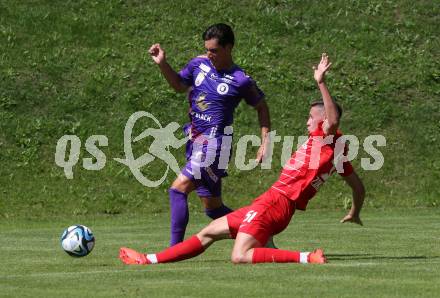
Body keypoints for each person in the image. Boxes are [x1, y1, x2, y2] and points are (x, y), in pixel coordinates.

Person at [120, 53, 365, 265]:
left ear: (322, 122)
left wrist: (321, 83)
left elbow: (332, 121)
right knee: (209, 231)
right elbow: (358, 187)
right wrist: (355, 211)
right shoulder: (337, 152)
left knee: (239, 256)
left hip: (275, 205)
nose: (307, 122)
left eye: (311, 118)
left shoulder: (326, 139)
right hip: (269, 202)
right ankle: (148, 259)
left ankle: (306, 257)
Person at [148, 23, 271, 246]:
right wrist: (163, 64)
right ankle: (260, 232)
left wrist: (265, 143)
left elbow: (262, 107)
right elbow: (178, 85)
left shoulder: (240, 79)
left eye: (214, 50)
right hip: (195, 141)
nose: (209, 54)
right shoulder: (198, 65)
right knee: (213, 209)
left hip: (215, 146)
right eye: (207, 49)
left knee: (178, 190)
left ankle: (173, 251)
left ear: (229, 48)